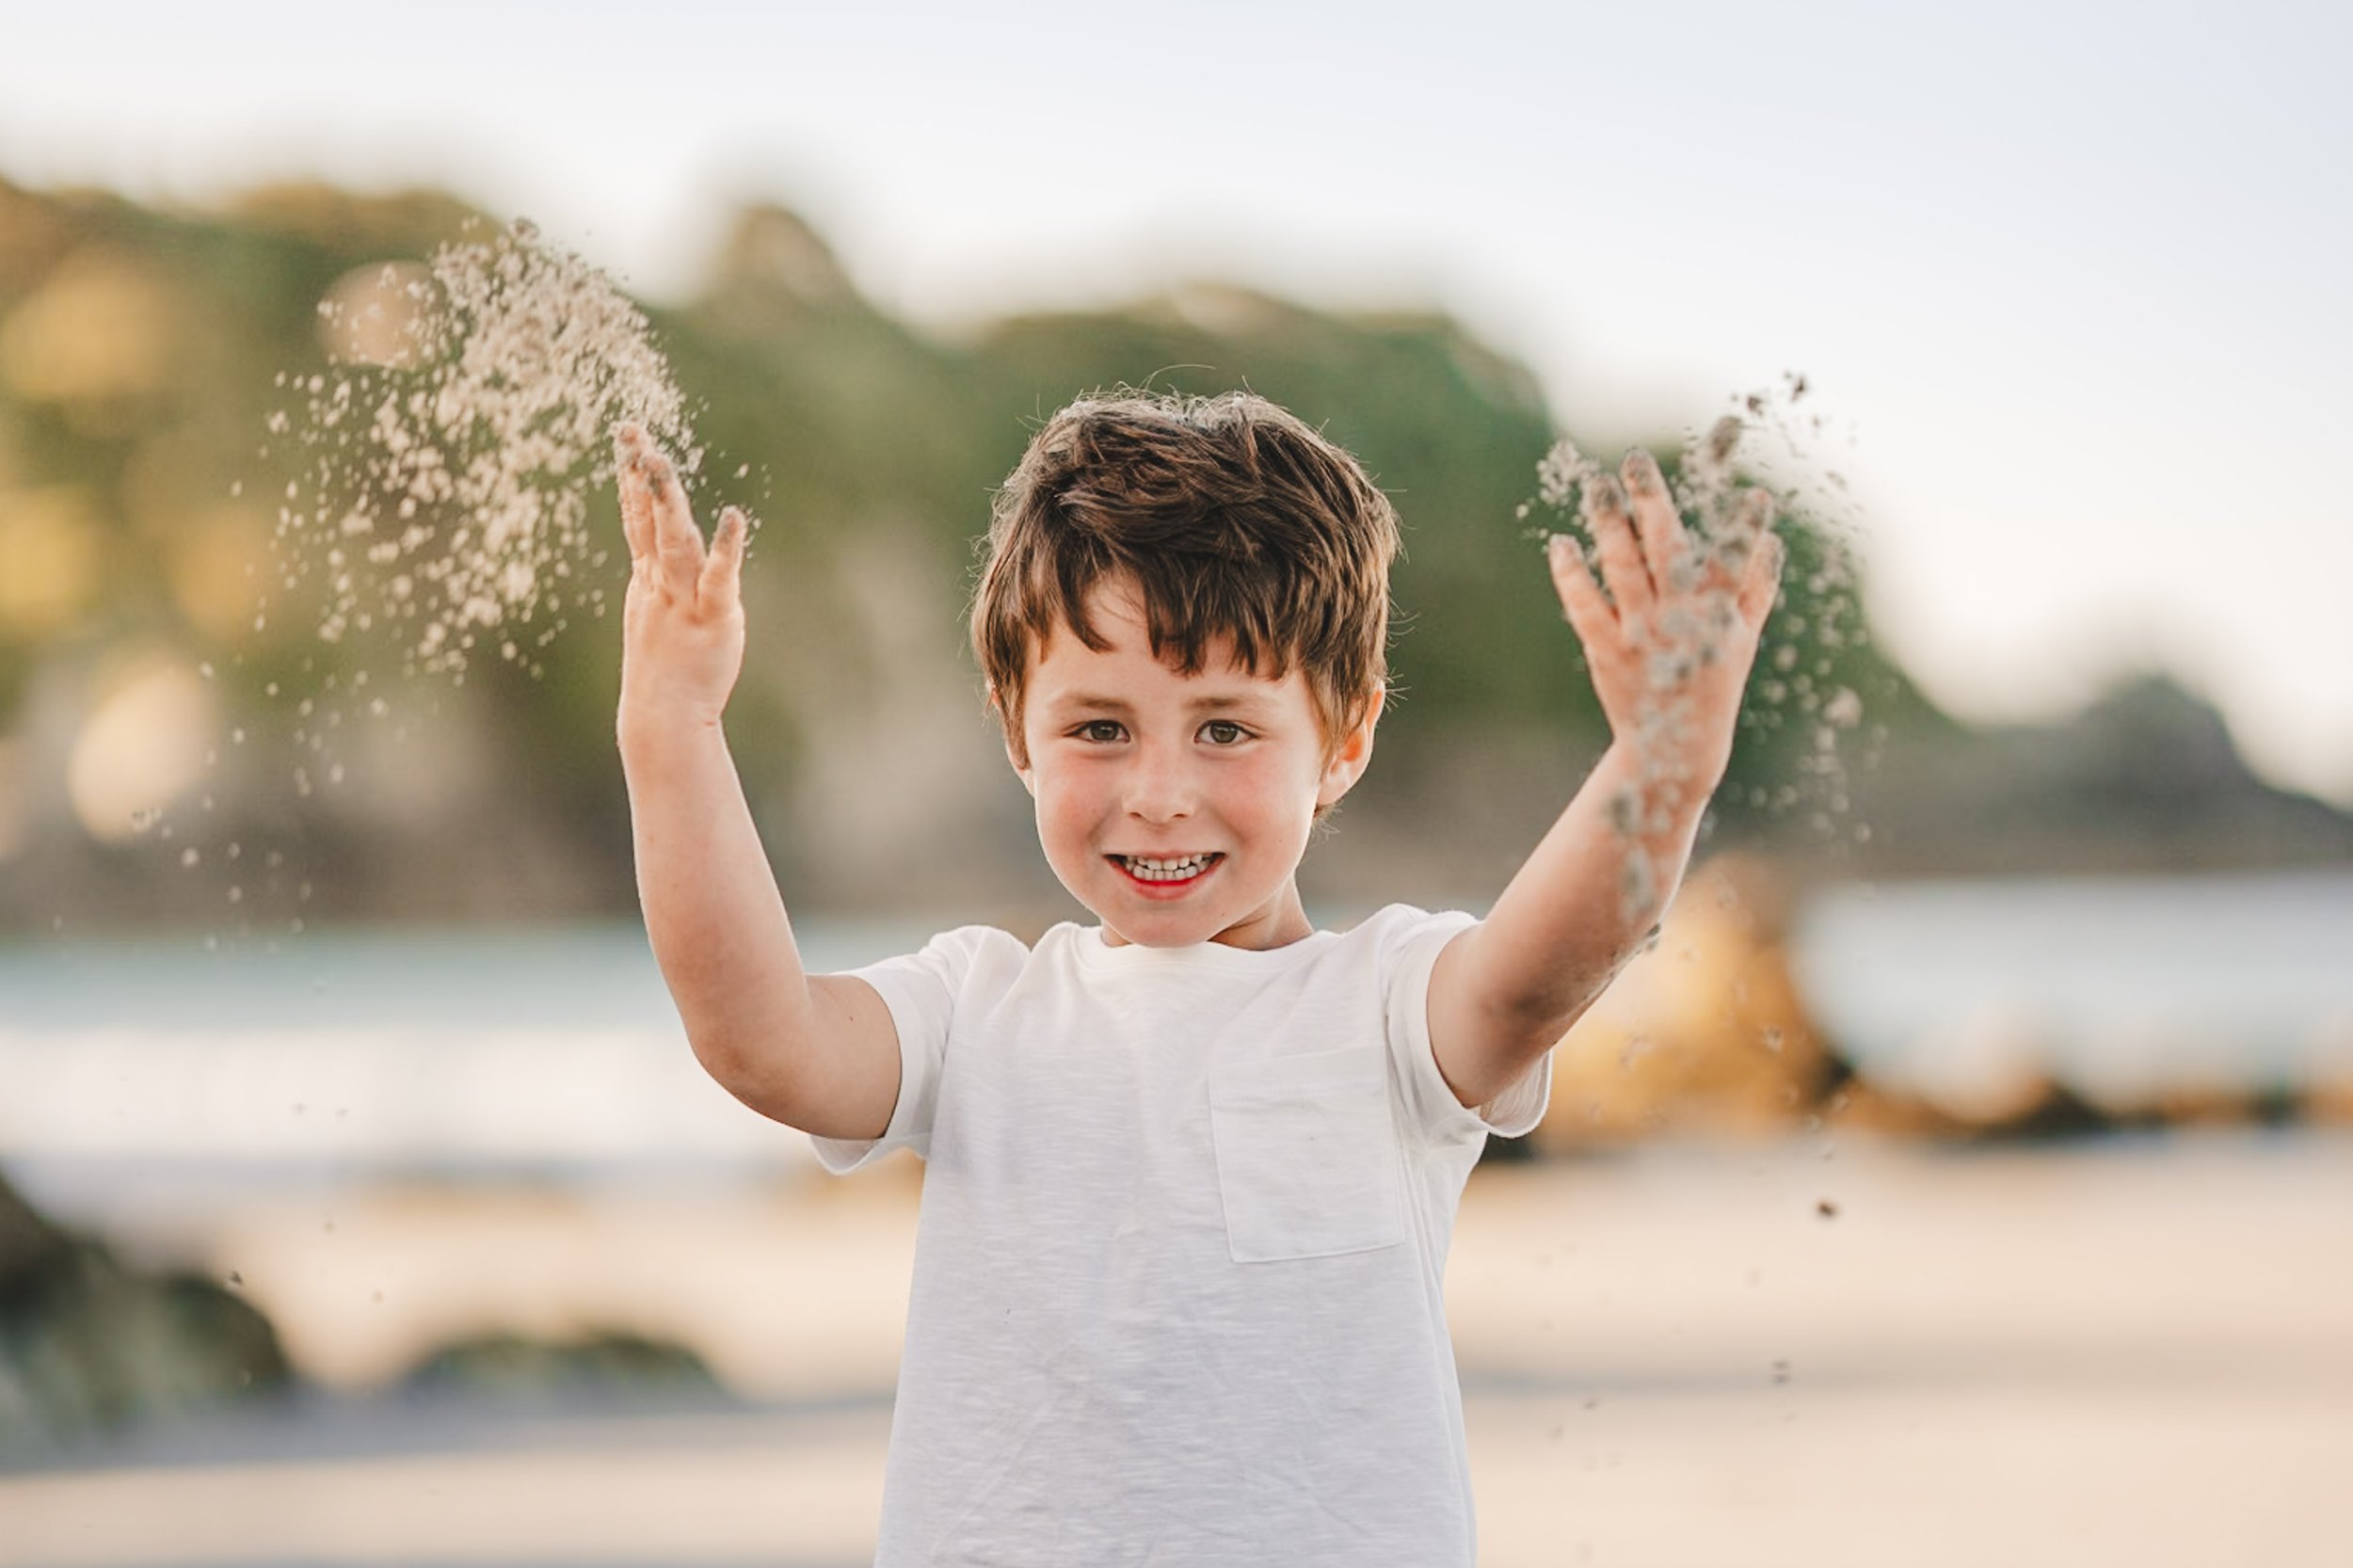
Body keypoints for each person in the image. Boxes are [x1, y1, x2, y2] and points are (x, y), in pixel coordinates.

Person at [609, 389, 1781, 1567]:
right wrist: (674, 730)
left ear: (1346, 741)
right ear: (1016, 729)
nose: (1159, 791)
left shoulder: (1385, 1003)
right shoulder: (975, 1014)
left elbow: (1534, 981)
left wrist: (1661, 769)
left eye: (1224, 729)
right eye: (1099, 729)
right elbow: (761, 1038)